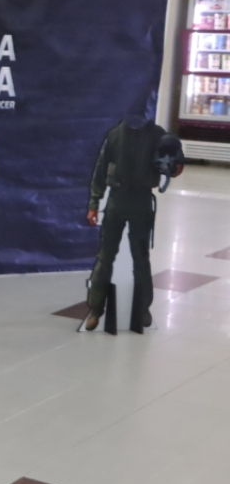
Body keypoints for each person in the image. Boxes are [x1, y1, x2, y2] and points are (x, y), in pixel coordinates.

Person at [84, 115, 167, 331]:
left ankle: (143, 309)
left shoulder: (157, 135)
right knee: (105, 256)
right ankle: (95, 309)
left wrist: (173, 165)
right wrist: (94, 202)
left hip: (141, 202)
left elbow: (169, 165)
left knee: (141, 258)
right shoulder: (115, 135)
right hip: (117, 201)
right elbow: (101, 169)